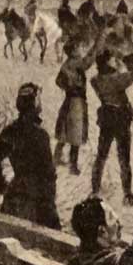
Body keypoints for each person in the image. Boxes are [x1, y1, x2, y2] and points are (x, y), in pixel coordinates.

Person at [0, 84, 60, 230]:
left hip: (16, 194)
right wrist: (49, 201)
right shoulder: (41, 135)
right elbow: (48, 173)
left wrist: (1, 185)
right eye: (39, 98)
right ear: (34, 104)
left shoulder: (10, 131)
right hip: (39, 197)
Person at [91, 49, 133, 205]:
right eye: (112, 59)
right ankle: (127, 194)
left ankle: (95, 190)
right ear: (107, 62)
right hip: (119, 118)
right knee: (124, 158)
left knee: (101, 156)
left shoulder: (95, 79)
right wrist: (126, 60)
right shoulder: (116, 79)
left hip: (106, 117)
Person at [54, 31, 103, 175]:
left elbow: (58, 81)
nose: (80, 49)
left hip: (69, 99)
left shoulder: (67, 63)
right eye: (77, 48)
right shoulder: (76, 62)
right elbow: (89, 61)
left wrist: (68, 86)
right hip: (76, 101)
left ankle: (56, 157)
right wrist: (97, 44)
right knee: (75, 133)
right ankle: (73, 165)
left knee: (64, 130)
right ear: (73, 50)